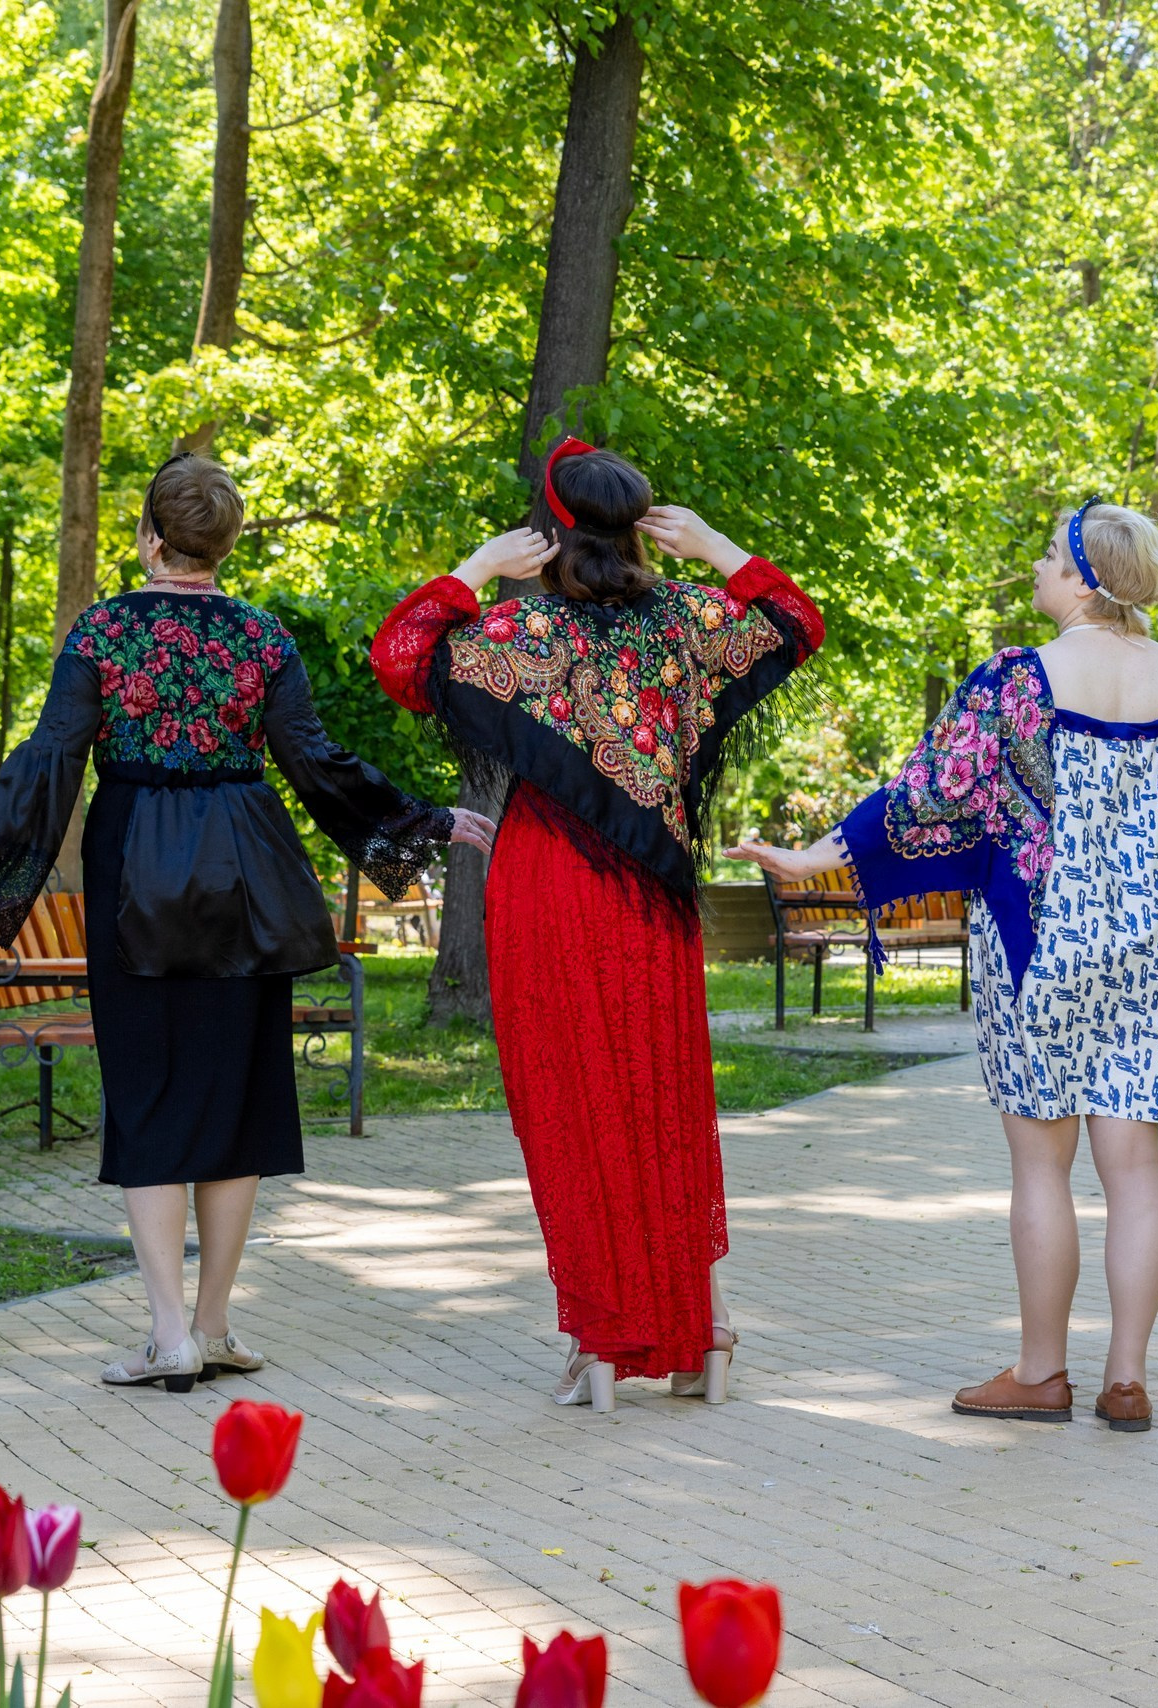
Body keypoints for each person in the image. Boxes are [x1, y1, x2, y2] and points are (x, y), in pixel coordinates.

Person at [729, 502, 1158, 1431]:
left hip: (1035, 944)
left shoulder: (1018, 682)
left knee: (1040, 1168)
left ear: (1087, 577)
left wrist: (815, 857)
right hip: (1149, 943)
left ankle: (1041, 1372)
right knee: (1135, 1168)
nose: (1039, 568)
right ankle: (1125, 1378)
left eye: (1052, 555)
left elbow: (928, 789)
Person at [0, 452, 488, 1394]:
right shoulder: (261, 637)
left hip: (135, 870)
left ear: (150, 539)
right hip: (244, 871)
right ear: (226, 544)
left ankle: (171, 1332)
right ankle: (211, 1326)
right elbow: (316, 762)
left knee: (151, 1096)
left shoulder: (102, 631)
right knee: (238, 1098)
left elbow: (50, 760)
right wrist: (424, 819)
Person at [369, 440, 823, 1412]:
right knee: (663, 1107)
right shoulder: (690, 623)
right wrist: (716, 549)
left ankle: (601, 1343)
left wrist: (480, 567)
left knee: (572, 1106)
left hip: (547, 883)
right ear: (639, 524)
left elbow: (401, 655)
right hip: (653, 900)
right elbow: (794, 620)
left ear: (553, 526)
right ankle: (707, 1330)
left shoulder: (519, 633)